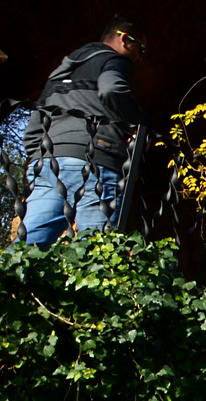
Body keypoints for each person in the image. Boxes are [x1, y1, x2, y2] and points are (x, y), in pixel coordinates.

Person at [19, 16, 150, 245]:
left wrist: (42, 155)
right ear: (124, 40)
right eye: (141, 48)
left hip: (48, 163)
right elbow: (112, 88)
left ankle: (10, 280)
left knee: (28, 247)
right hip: (94, 162)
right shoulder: (113, 59)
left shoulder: (59, 73)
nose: (140, 57)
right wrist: (140, 125)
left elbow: (33, 128)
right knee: (99, 253)